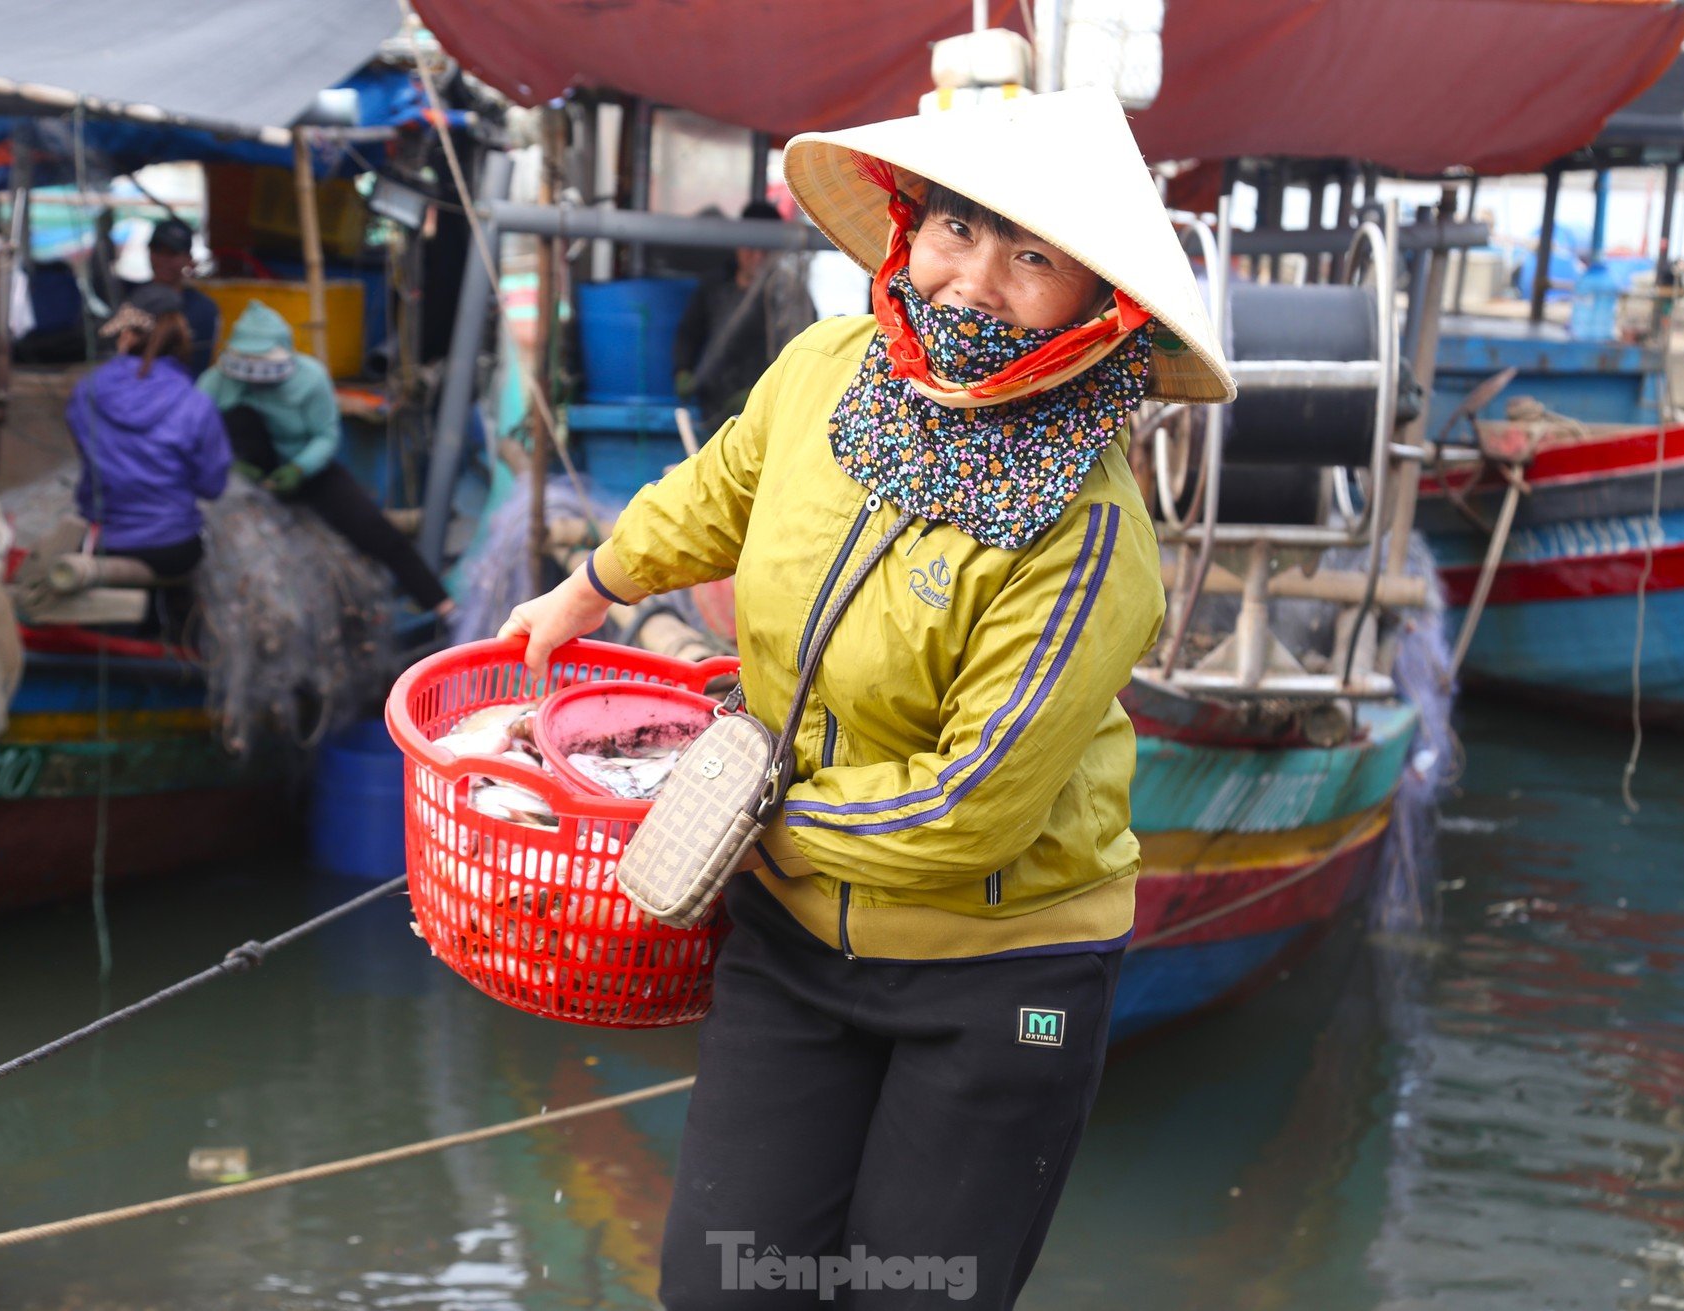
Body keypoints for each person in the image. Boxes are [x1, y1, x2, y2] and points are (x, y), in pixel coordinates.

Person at [500, 89, 1233, 1309]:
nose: (971, 281)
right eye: (956, 228)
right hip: (791, 949)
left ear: (1104, 311)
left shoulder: (1088, 536)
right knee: (724, 1286)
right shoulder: (827, 368)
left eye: (1033, 255)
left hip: (999, 982)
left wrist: (724, 817)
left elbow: (967, 810)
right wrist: (589, 585)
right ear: (906, 230)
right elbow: (723, 487)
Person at [198, 300, 453, 617]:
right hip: (243, 475)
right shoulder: (216, 382)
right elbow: (198, 431)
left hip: (306, 470)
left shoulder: (311, 378)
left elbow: (327, 436)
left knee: (374, 530)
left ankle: (442, 605)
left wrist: (298, 468)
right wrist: (230, 465)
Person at [67, 283, 232, 638]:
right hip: (173, 547)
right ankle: (179, 654)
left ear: (127, 335)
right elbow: (212, 486)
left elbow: (90, 458)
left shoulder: (88, 389)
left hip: (106, 540)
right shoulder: (195, 402)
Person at [672, 198, 818, 429]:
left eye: (766, 249)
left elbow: (808, 352)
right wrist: (683, 370)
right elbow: (689, 333)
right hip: (712, 405)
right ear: (737, 244)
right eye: (751, 247)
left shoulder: (790, 297)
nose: (757, 256)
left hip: (766, 413)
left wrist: (760, 395)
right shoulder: (714, 287)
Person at [142, 218, 221, 375]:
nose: (163, 260)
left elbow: (201, 367)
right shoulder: (131, 300)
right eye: (158, 250)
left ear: (188, 259)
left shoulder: (205, 310)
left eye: (172, 253)